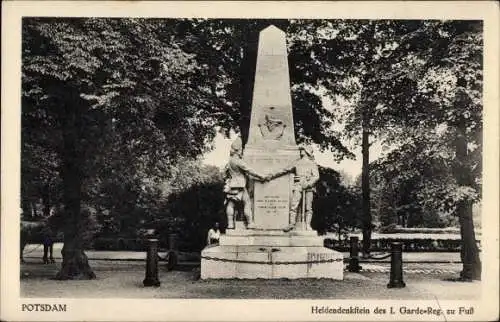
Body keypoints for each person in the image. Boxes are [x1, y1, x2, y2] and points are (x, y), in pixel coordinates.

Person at [268, 145, 320, 232]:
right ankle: (291, 224)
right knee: (294, 205)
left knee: (308, 207)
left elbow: (316, 176)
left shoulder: (312, 164)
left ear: (307, 152)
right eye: (301, 150)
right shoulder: (297, 163)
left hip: (308, 187)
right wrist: (273, 174)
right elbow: (285, 169)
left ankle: (307, 225)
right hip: (298, 185)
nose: (301, 151)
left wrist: (308, 183)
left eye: (303, 149)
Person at [224, 137, 265, 229]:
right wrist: (261, 176)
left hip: (231, 185)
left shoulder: (230, 161)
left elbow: (225, 173)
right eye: (241, 150)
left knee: (230, 204)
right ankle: (250, 223)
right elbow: (250, 170)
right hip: (240, 185)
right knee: (247, 203)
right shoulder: (238, 162)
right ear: (238, 151)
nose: (241, 152)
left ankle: (230, 224)